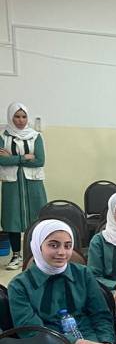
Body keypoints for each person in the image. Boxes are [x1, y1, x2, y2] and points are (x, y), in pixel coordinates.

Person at [1, 102, 47, 270]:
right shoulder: (3, 136)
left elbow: (40, 160)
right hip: (12, 183)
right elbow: (1, 160)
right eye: (17, 116)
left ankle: (36, 254)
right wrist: (24, 157)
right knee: (11, 218)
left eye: (24, 116)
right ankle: (16, 256)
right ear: (10, 117)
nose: (20, 120)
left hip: (33, 183)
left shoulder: (35, 136)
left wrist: (12, 158)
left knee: (37, 218)